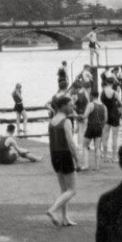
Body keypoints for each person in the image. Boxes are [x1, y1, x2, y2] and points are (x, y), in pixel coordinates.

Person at [46, 96, 80, 227]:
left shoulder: (52, 121)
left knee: (64, 189)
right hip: (65, 155)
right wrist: (77, 160)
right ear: (62, 106)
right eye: (70, 105)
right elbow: (71, 143)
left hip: (54, 155)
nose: (73, 107)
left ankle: (65, 218)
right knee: (72, 190)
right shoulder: (66, 121)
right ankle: (52, 210)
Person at [82, 90, 106, 170]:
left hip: (91, 127)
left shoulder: (91, 105)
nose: (89, 97)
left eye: (89, 95)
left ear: (92, 96)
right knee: (97, 147)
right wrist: (101, 125)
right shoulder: (103, 106)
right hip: (99, 127)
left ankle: (86, 165)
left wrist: (76, 115)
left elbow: (84, 116)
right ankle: (97, 166)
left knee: (85, 146)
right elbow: (105, 119)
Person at [101, 78, 121, 162]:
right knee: (115, 137)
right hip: (114, 114)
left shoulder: (102, 92)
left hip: (106, 114)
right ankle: (114, 157)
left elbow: (102, 103)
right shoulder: (115, 93)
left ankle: (105, 156)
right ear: (112, 83)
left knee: (105, 136)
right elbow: (120, 103)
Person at [72, 80, 90, 155]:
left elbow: (73, 106)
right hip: (85, 113)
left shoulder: (75, 95)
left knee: (80, 131)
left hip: (78, 114)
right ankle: (85, 146)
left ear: (77, 88)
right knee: (84, 131)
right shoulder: (85, 93)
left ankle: (80, 148)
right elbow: (88, 103)